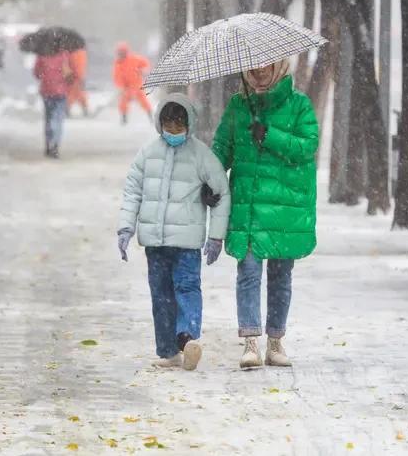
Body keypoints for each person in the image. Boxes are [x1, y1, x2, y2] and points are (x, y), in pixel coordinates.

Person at [211, 60, 319, 369]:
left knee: (280, 276)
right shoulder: (238, 105)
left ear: (279, 66)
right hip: (249, 206)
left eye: (266, 67)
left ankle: (275, 341)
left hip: (286, 208)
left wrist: (269, 135)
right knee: (248, 272)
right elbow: (222, 146)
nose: (259, 72)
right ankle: (250, 342)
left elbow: (307, 146)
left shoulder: (299, 105)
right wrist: (211, 178)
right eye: (253, 68)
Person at [117, 93, 231, 371]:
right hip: (155, 242)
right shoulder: (147, 153)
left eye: (179, 125)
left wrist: (216, 235)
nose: (173, 130)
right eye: (169, 125)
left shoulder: (201, 155)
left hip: (187, 242)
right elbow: (132, 190)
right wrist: (126, 226)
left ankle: (187, 338)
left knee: (187, 287)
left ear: (189, 123)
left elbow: (221, 191)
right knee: (161, 294)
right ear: (160, 123)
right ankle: (168, 350)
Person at [33, 51, 75, 158]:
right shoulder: (64, 54)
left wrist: (45, 75)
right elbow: (71, 73)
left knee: (48, 118)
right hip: (61, 91)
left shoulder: (42, 54)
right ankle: (55, 145)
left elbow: (37, 73)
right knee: (58, 119)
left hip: (47, 91)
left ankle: (48, 144)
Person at [113, 42, 152, 124]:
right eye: (119, 52)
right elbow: (117, 77)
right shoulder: (118, 64)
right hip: (126, 88)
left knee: (144, 102)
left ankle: (151, 116)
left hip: (137, 85)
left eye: (122, 52)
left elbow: (145, 64)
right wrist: (121, 87)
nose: (121, 54)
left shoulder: (135, 59)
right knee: (123, 103)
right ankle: (124, 118)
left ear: (126, 52)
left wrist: (144, 70)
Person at [67, 48, 89, 116]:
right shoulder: (81, 53)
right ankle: (85, 110)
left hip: (73, 78)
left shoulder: (71, 53)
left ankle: (67, 110)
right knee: (80, 95)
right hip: (77, 78)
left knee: (71, 95)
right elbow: (80, 66)